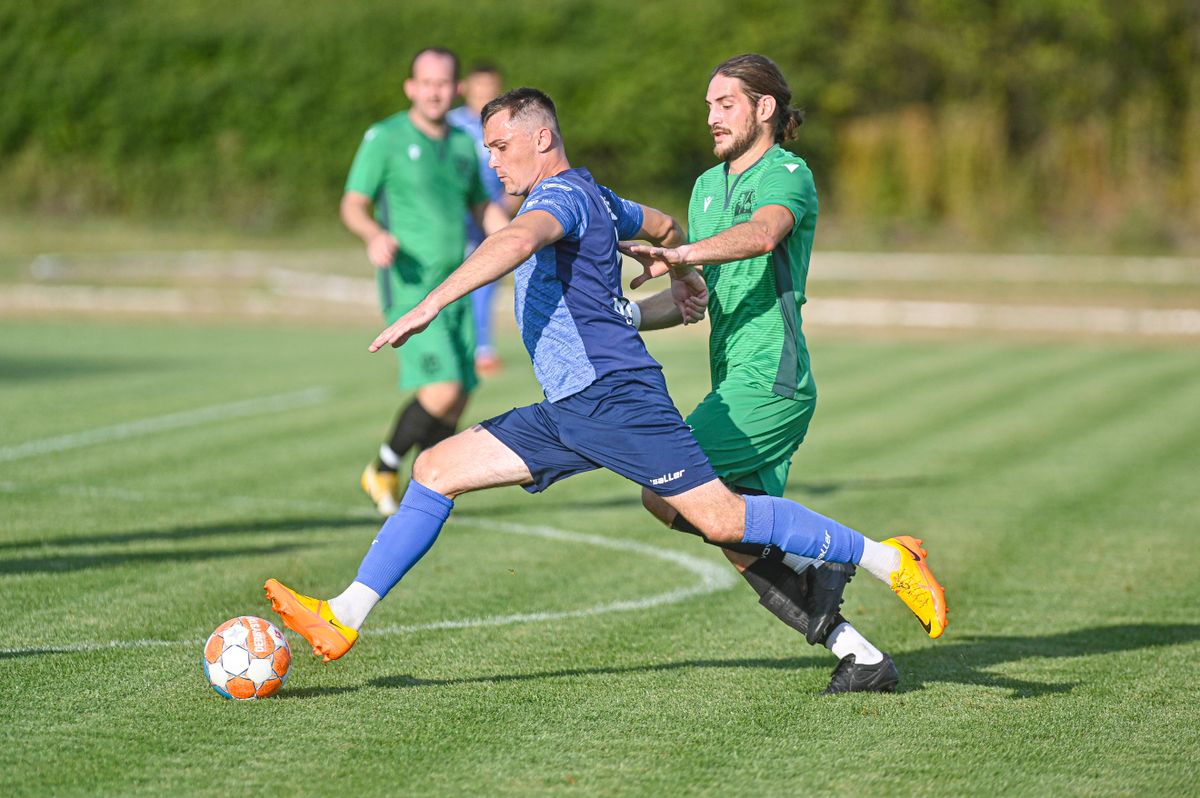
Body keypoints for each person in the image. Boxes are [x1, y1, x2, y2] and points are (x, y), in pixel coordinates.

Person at [265, 87, 948, 669]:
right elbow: (660, 223)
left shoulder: (559, 197)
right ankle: (343, 615)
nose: (491, 158)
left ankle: (889, 560)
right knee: (435, 468)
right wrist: (682, 282)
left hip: (616, 398)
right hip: (570, 406)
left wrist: (431, 302)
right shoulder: (593, 193)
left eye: (500, 145)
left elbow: (514, 242)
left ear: (541, 138)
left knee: (720, 517)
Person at [623, 54, 898, 694]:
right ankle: (860, 655)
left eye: (726, 104)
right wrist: (626, 320)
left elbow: (763, 234)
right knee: (730, 531)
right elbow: (696, 298)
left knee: (665, 492)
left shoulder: (789, 175)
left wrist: (681, 251)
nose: (713, 117)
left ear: (764, 108)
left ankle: (842, 557)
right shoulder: (704, 185)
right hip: (733, 378)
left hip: (772, 377)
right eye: (709, 106)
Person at [341, 47, 510, 516]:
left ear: (455, 88)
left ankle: (421, 497)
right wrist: (374, 233)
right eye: (426, 83)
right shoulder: (385, 138)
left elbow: (483, 207)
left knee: (459, 397)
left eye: (443, 83)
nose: (435, 92)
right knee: (443, 389)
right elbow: (353, 203)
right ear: (411, 87)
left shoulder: (462, 144)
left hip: (456, 286)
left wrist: (521, 239)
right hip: (412, 287)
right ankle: (383, 466)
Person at [447, 63, 523, 377]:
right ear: (464, 89)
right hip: (455, 221)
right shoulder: (449, 126)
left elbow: (522, 174)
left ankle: (482, 348)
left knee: (487, 279)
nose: (483, 96)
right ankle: (451, 345)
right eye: (479, 89)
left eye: (490, 90)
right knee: (451, 280)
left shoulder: (509, 125)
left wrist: (504, 208)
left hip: (490, 217)